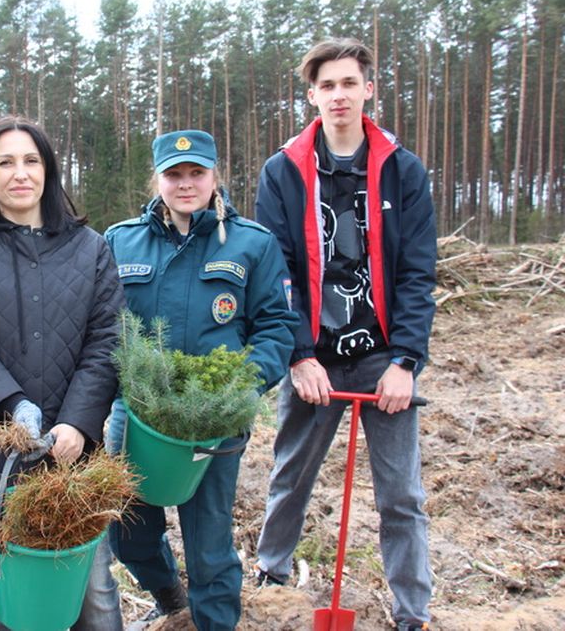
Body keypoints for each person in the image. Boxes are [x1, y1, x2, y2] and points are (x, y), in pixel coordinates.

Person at [253, 38, 437, 631]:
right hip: (315, 361)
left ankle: (413, 610)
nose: (339, 95)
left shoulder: (402, 169)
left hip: (382, 358)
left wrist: (406, 361)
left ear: (368, 89)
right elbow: (275, 272)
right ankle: (272, 573)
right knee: (291, 473)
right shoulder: (283, 171)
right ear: (312, 95)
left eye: (349, 83)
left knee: (401, 496)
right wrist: (299, 356)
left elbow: (416, 272)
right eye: (327, 85)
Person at [0, 115, 126, 631]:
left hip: (76, 458)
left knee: (95, 597)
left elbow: (107, 341)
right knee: (15, 599)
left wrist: (78, 425)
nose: (20, 173)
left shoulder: (90, 248)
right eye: (6, 163)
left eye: (31, 160)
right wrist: (13, 405)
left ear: (49, 170)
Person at [104, 129, 297, 631]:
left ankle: (215, 623)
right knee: (128, 533)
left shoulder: (253, 243)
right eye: (174, 174)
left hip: (214, 418)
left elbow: (277, 326)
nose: (186, 184)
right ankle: (171, 598)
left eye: (197, 173)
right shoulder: (120, 240)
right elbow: (101, 328)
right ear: (158, 178)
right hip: (138, 416)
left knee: (208, 543)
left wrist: (239, 391)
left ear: (215, 176)